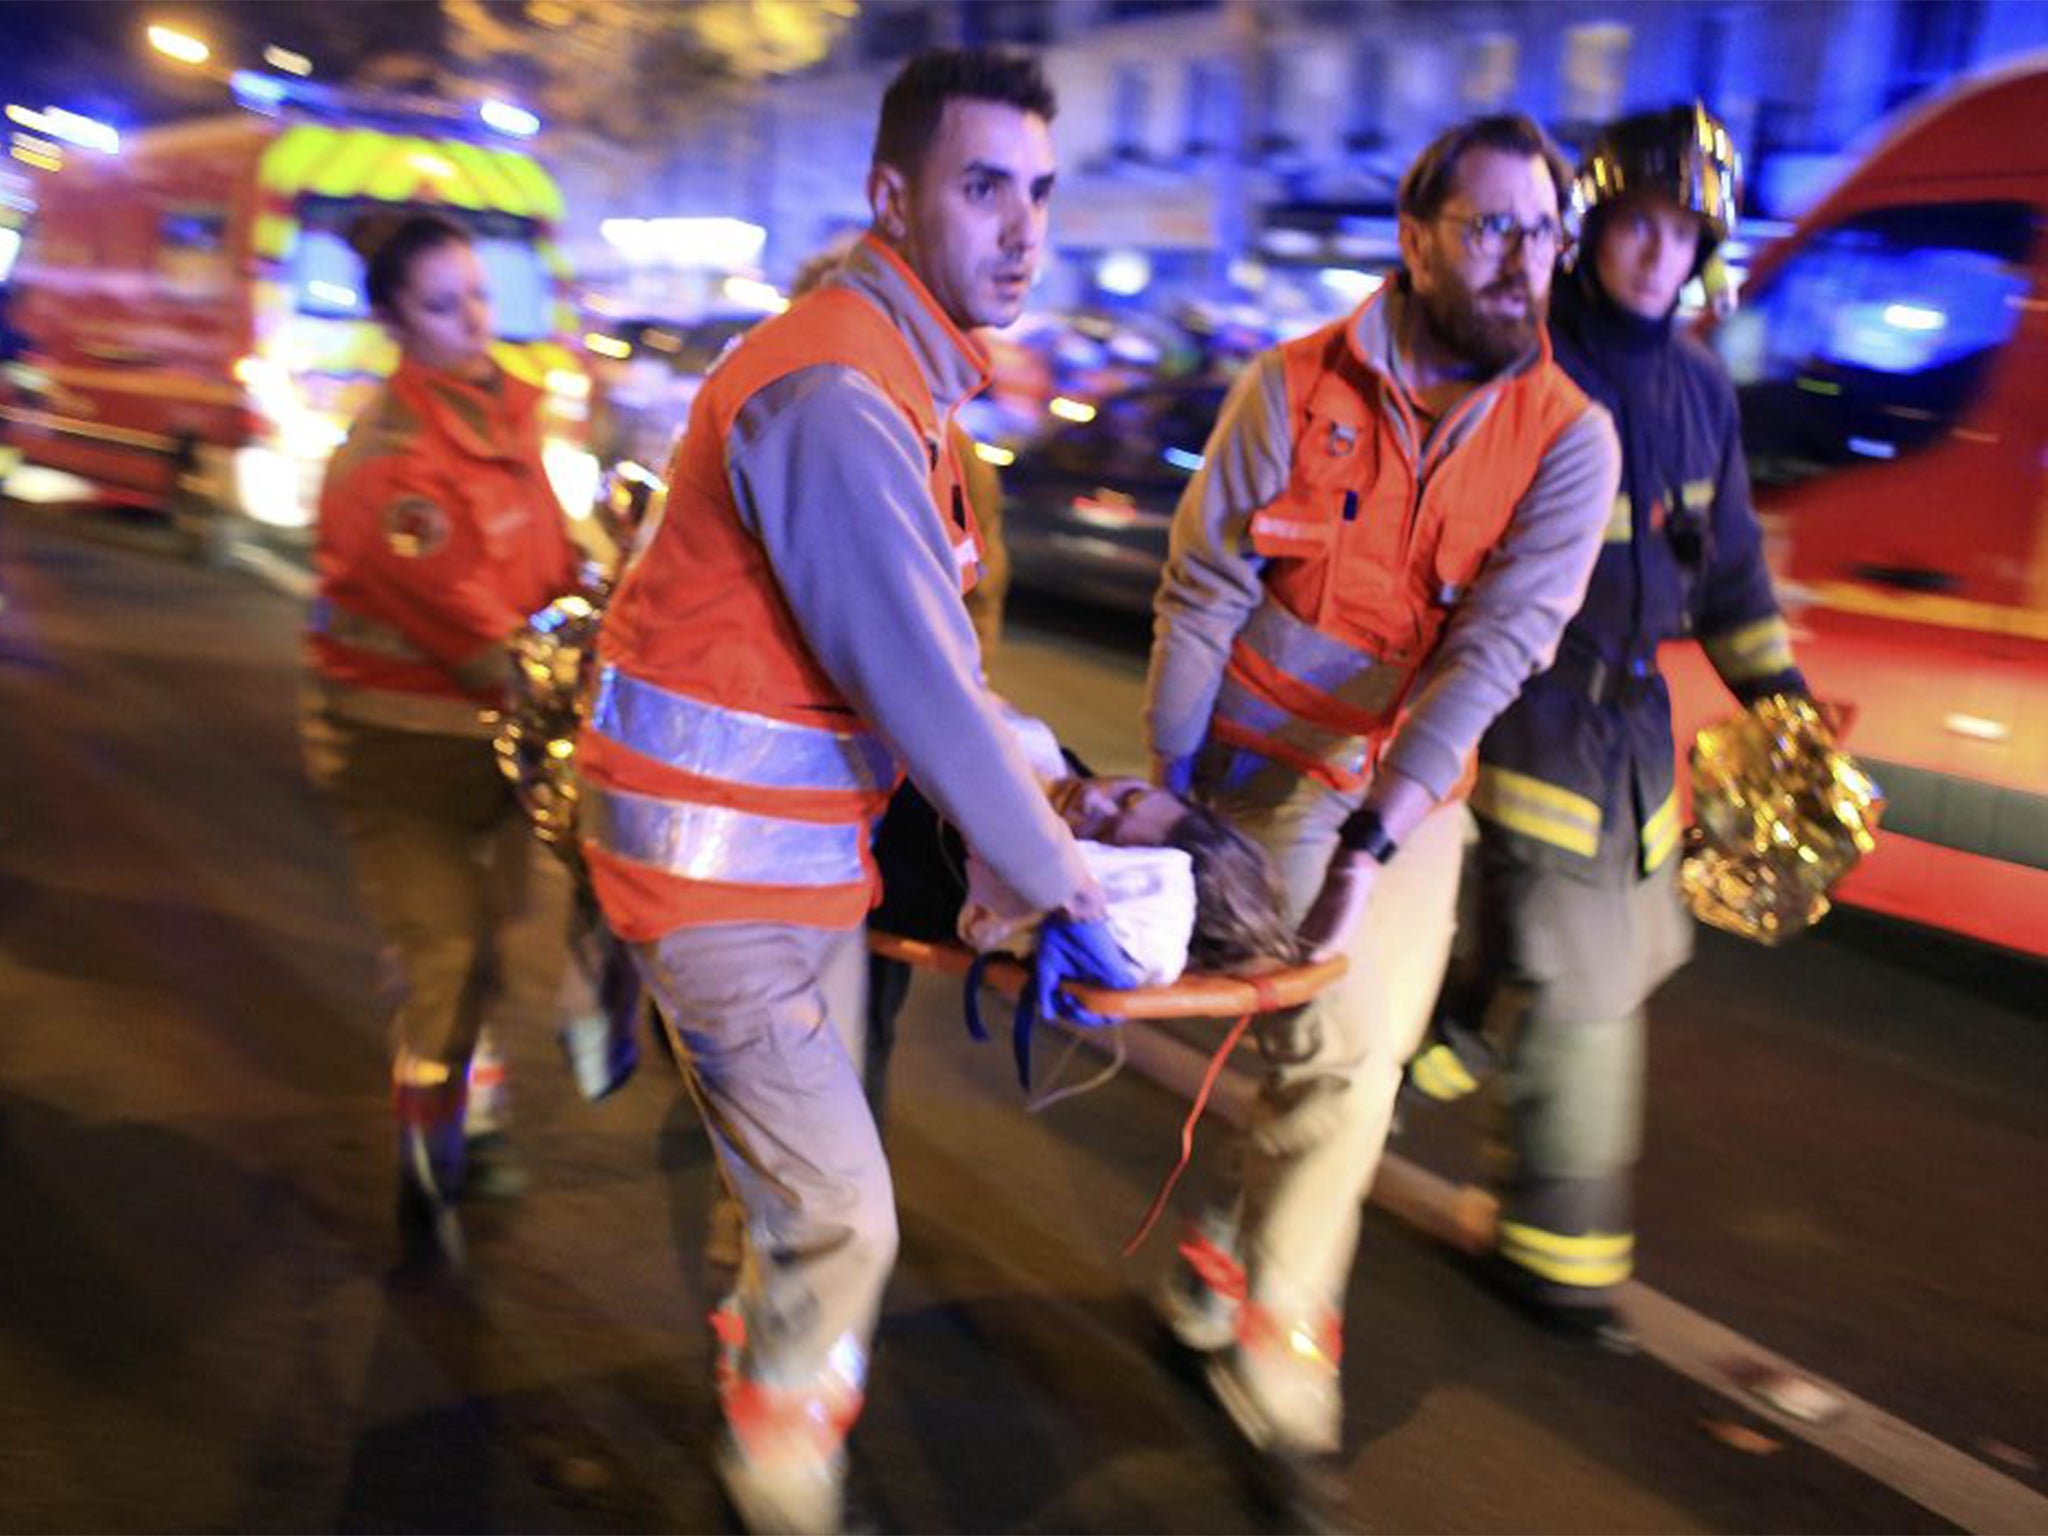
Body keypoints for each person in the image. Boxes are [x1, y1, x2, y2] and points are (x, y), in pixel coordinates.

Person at [573, 48, 1137, 1535]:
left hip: (790, 866)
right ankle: (778, 1470)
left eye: (1040, 192)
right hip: (716, 884)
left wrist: (1058, 781)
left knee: (796, 1196)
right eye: (982, 187)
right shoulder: (837, 389)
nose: (1024, 228)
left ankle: (770, 1393)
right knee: (843, 1214)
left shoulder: (897, 378)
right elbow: (917, 685)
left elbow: (930, 668)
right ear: (893, 195)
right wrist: (1061, 881)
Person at [1143, 114, 1621, 1473]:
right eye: (1493, 228)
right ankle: (1230, 1243)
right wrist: (1169, 792)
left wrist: (1375, 833)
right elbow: (1203, 590)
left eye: (1548, 232)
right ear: (1416, 241)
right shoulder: (1289, 390)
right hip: (1239, 782)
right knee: (1283, 1047)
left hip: (1392, 796)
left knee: (1348, 1055)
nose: (1528, 260)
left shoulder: (1569, 442)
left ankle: (1282, 1330)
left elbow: (1497, 650)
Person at [1410, 104, 1811, 1349]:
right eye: (1635, 221)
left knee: (1595, 958)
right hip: (1524, 724)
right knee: (1583, 984)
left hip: (1631, 742)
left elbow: (1730, 572)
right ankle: (1559, 1258)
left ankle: (1399, 1063)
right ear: (1590, 228)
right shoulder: (1526, 363)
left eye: (1680, 229)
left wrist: (1782, 707)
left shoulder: (1697, 389)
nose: (1655, 250)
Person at [301, 213, 594, 1265]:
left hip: (501, 744)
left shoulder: (509, 419)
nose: (475, 318)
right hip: (399, 750)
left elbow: (556, 563)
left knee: (496, 934)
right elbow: (469, 622)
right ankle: (430, 1167)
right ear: (392, 319)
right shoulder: (389, 465)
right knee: (448, 951)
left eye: (477, 292)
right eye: (442, 302)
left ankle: (467, 1096)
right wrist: (571, 666)